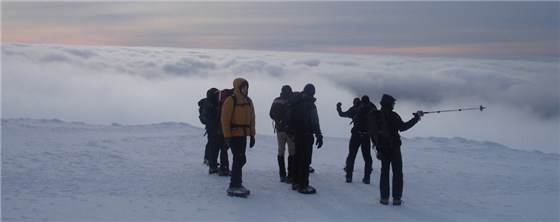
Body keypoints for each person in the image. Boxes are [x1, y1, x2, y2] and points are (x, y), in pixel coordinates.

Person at [374, 94, 421, 205]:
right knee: (397, 173)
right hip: (394, 147)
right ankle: (396, 199)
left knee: (384, 172)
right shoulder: (393, 115)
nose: (394, 105)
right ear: (389, 104)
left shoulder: (375, 115)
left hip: (381, 148)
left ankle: (384, 198)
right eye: (393, 103)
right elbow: (403, 127)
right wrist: (416, 118)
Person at [221, 78, 256, 197]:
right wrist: (227, 136)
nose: (245, 90)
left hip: (243, 135)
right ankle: (234, 185)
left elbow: (252, 119)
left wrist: (252, 135)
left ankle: (237, 183)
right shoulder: (231, 100)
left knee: (241, 159)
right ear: (238, 88)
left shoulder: (249, 101)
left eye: (247, 87)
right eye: (243, 87)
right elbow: (225, 120)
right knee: (238, 159)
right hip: (234, 135)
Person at [289, 84, 323, 194]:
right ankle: (303, 185)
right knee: (305, 160)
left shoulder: (296, 101)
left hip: (296, 134)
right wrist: (319, 135)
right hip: (306, 134)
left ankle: (295, 182)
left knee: (297, 157)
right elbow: (314, 121)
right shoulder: (310, 104)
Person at [337, 96, 376, 184]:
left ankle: (349, 177)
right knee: (367, 157)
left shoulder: (355, 109)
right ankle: (367, 178)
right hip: (366, 135)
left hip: (356, 135)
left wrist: (338, 107)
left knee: (352, 155)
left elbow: (342, 114)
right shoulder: (372, 109)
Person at [269, 85, 295, 183]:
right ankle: (291, 175)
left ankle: (282, 174)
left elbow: (271, 114)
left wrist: (278, 121)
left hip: (279, 130)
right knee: (292, 152)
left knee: (281, 151)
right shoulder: (291, 101)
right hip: (290, 131)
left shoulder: (276, 100)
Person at [204, 88, 230, 176]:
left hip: (213, 129)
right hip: (217, 129)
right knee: (221, 147)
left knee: (214, 147)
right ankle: (223, 168)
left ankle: (213, 166)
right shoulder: (214, 105)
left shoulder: (210, 104)